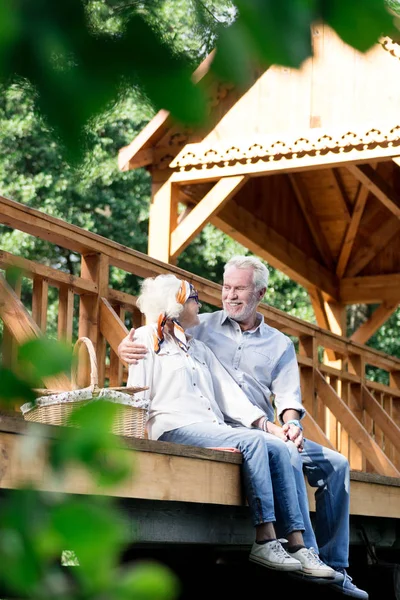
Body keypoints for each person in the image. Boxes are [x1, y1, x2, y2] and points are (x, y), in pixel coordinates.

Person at [119, 256, 368, 600]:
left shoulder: (263, 344)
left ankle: (329, 564)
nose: (227, 296)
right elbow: (142, 374)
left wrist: (284, 425)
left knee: (331, 462)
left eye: (239, 289)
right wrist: (124, 347)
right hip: (201, 428)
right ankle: (287, 544)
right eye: (226, 287)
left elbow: (257, 397)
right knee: (272, 449)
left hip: (248, 425)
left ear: (260, 293)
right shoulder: (194, 326)